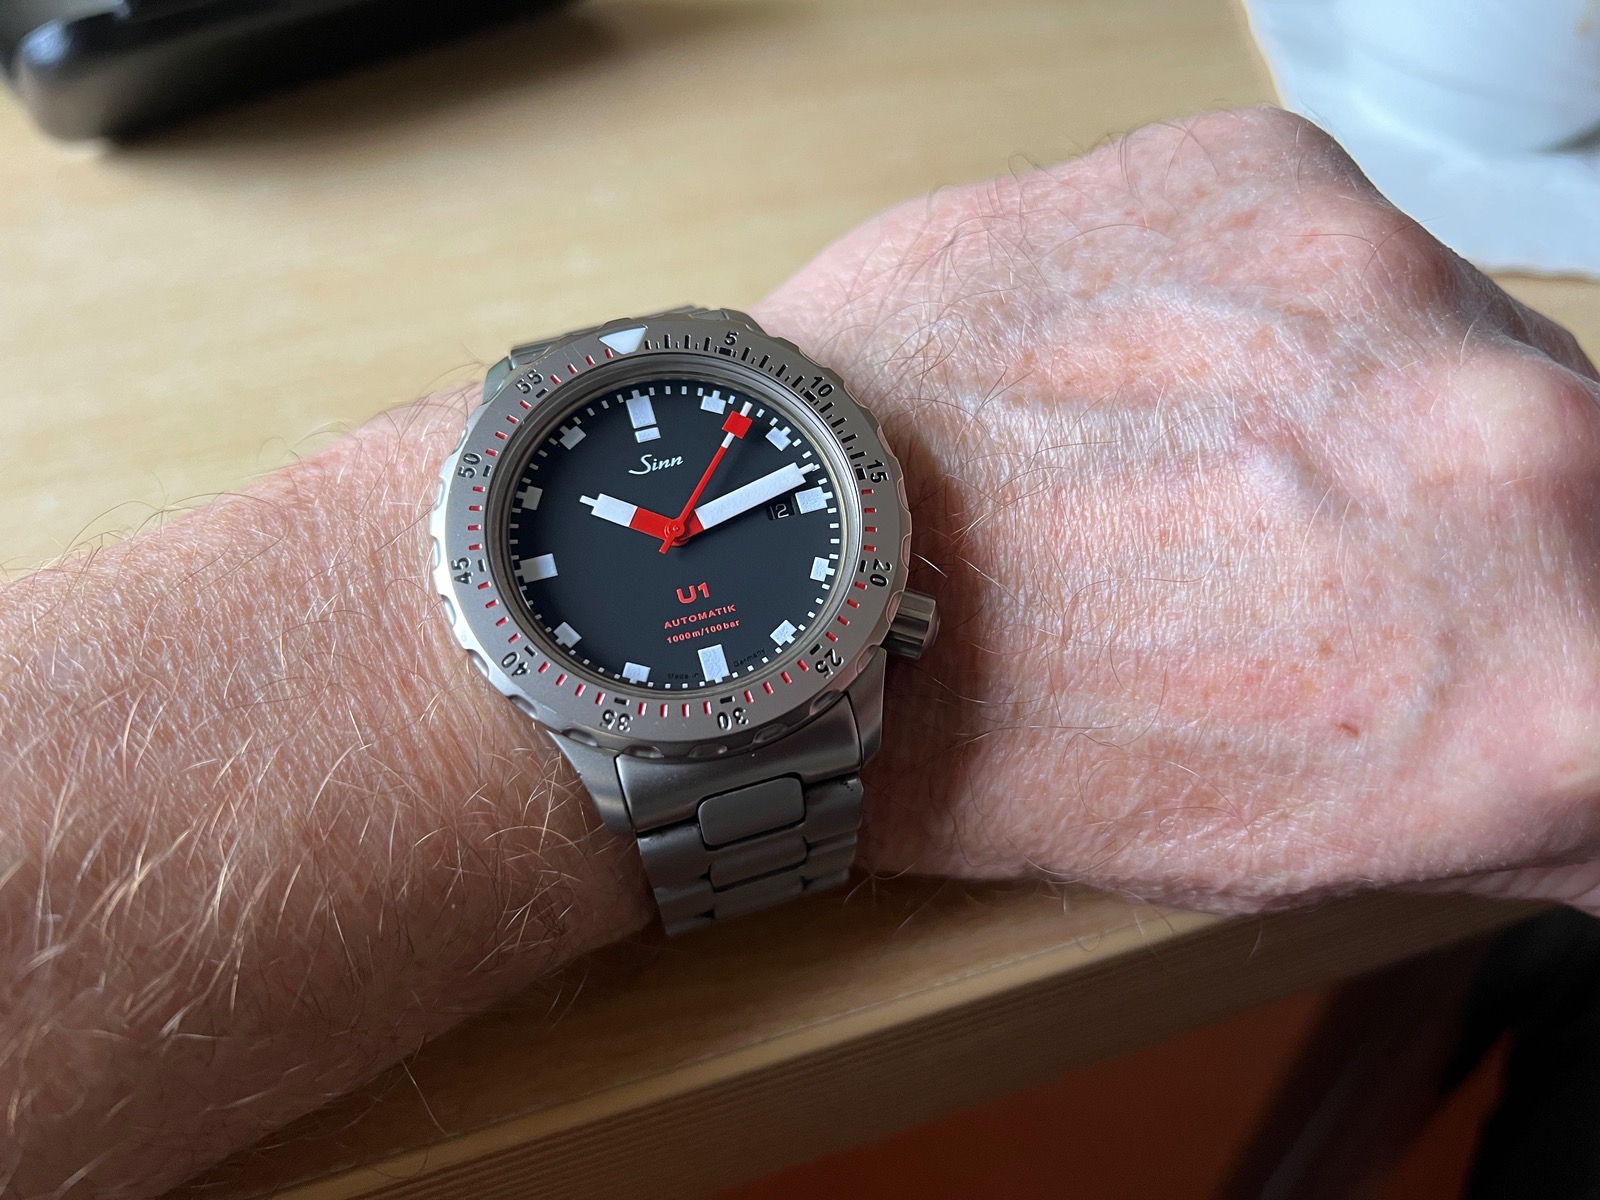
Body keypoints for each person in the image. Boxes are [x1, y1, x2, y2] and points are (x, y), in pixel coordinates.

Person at [3, 105, 1598, 1196]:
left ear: (884, 553)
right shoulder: (533, 558)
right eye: (653, 530)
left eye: (702, 513)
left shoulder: (832, 529)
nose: (676, 537)